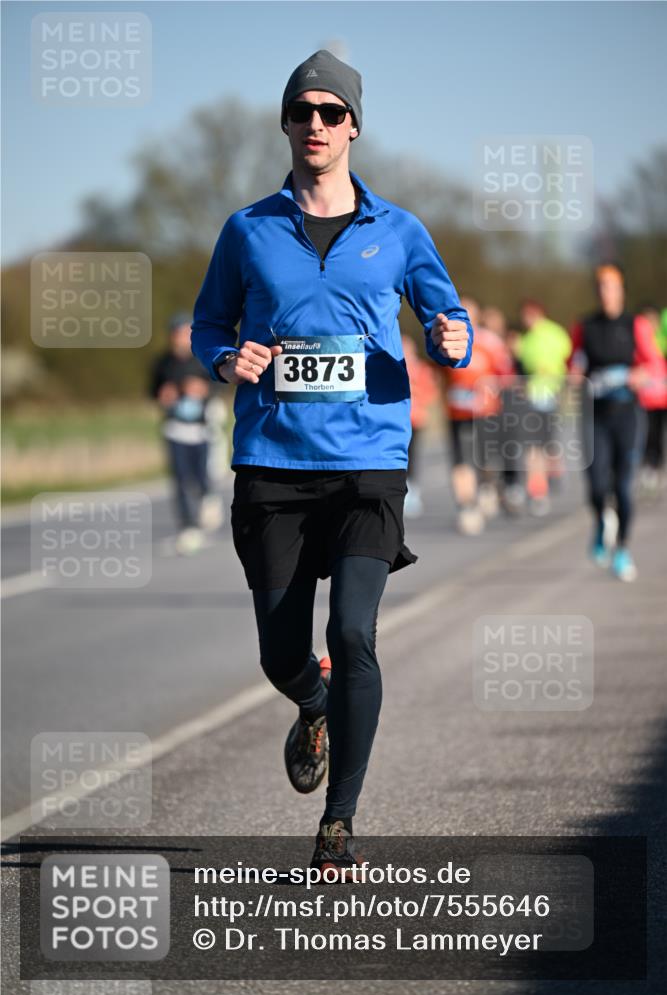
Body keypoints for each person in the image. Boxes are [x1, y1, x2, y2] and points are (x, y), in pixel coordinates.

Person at [190, 49, 472, 878]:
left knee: (352, 632)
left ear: (353, 126)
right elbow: (209, 325)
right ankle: (310, 706)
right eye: (301, 111)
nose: (315, 124)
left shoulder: (399, 231)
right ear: (285, 123)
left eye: (330, 111)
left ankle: (337, 824)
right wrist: (223, 361)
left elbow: (443, 310)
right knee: (283, 654)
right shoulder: (247, 230)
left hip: (368, 461)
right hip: (273, 463)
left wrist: (451, 337)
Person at [570, 265, 664, 581]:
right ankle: (600, 521)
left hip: (627, 414)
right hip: (596, 415)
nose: (605, 292)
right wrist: (576, 377)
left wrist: (638, 375)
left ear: (621, 290)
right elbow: (572, 364)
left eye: (610, 286)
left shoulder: (635, 325)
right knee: (597, 487)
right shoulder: (585, 326)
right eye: (600, 286)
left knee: (623, 487)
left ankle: (622, 549)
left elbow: (654, 363)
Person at [149, 313, 223, 554]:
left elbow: (217, 385)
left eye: (184, 333)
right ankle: (188, 527)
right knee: (180, 480)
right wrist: (163, 396)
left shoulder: (201, 359)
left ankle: (208, 498)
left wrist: (201, 390)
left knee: (201, 477)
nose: (180, 338)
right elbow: (153, 391)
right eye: (177, 333)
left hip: (200, 431)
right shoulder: (163, 363)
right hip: (175, 429)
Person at [438, 295, 511, 534]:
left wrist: (489, 389)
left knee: (485, 459)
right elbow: (439, 371)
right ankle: (466, 506)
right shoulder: (447, 339)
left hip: (485, 411)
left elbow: (505, 374)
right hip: (457, 411)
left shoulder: (490, 342)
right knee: (461, 461)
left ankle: (488, 486)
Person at [516, 299, 572, 516]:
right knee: (533, 446)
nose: (526, 320)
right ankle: (537, 491)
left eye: (529, 315)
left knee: (548, 442)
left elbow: (568, 358)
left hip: (551, 394)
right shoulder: (526, 340)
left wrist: (556, 375)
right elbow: (520, 366)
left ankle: (555, 469)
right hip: (530, 397)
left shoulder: (555, 333)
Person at [401, 334, 438, 518]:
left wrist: (416, 395)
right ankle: (401, 489)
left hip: (415, 418)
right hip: (398, 420)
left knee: (412, 455)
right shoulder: (393, 365)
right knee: (399, 455)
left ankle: (412, 491)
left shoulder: (421, 369)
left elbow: (430, 391)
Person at [636, 304, 667, 494]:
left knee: (660, 436)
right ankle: (649, 467)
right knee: (648, 435)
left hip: (663, 398)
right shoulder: (640, 343)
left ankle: (659, 466)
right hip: (646, 398)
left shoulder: (662, 342)